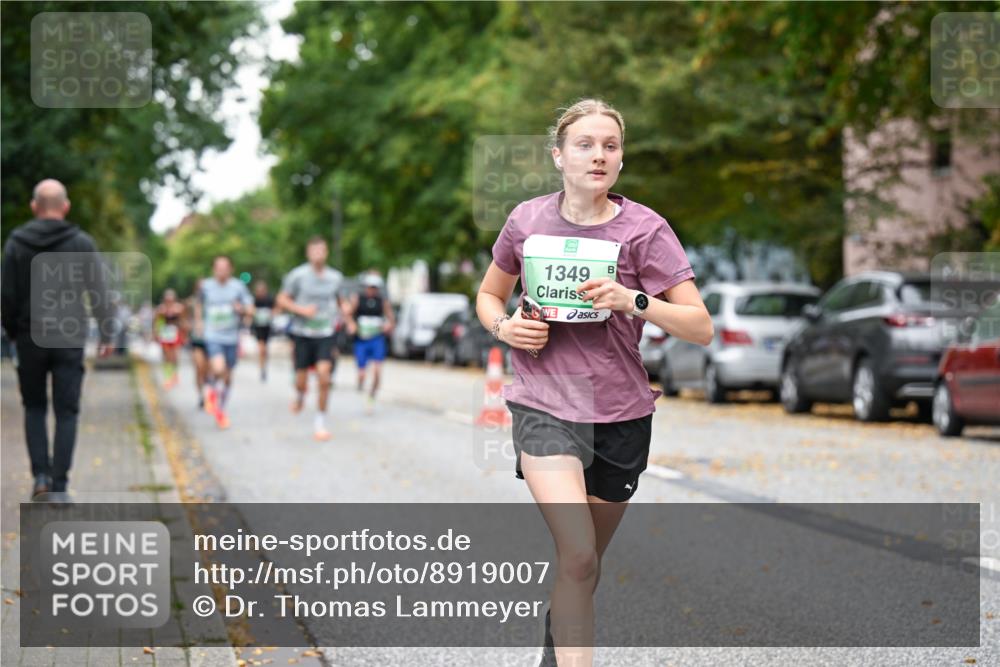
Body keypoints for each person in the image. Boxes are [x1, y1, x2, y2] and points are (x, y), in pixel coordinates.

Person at [475, 99, 713, 667]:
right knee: (578, 554)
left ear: (620, 158)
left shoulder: (644, 230)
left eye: (610, 145)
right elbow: (489, 295)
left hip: (622, 414)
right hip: (546, 405)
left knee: (583, 566)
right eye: (585, 144)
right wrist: (506, 328)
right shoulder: (527, 221)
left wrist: (634, 300)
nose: (598, 155)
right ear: (559, 155)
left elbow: (700, 326)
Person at [1, 179, 116, 501]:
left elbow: (6, 296)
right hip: (68, 337)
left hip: (29, 336)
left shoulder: (16, 243)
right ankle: (60, 486)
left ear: (34, 207)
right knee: (67, 412)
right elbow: (99, 291)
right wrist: (107, 331)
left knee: (34, 406)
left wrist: (12, 332)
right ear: (65, 207)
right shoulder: (81, 243)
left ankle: (41, 476)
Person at [276, 237, 345, 441]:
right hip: (302, 333)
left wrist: (347, 315)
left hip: (325, 333)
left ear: (326, 253)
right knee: (301, 380)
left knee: (324, 377)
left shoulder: (335, 277)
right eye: (314, 250)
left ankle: (320, 423)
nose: (318, 254)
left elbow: (341, 302)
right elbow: (281, 299)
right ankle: (300, 395)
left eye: (322, 250)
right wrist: (301, 310)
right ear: (308, 253)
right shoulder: (297, 275)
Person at [194, 256, 254, 429]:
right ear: (213, 269)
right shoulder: (206, 286)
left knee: (227, 377)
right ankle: (211, 390)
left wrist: (241, 309)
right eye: (218, 267)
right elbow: (198, 304)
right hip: (213, 335)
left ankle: (221, 409)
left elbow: (250, 309)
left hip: (232, 337)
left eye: (224, 267)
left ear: (230, 269)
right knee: (218, 368)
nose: (221, 271)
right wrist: (199, 322)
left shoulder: (238, 287)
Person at [344, 272, 395, 413]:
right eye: (369, 287)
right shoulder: (357, 299)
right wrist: (351, 324)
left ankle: (371, 398)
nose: (372, 290)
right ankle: (360, 381)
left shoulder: (383, 302)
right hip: (361, 339)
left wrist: (388, 325)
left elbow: (391, 319)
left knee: (377, 372)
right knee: (362, 373)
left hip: (376, 339)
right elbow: (347, 315)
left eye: (374, 287)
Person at [153, 288, 186, 389]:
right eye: (167, 299)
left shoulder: (179, 308)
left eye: (171, 299)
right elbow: (156, 322)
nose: (169, 301)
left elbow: (183, 322)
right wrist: (156, 334)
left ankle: (174, 375)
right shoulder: (160, 309)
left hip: (176, 333)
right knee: (166, 356)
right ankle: (168, 377)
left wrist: (184, 334)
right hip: (165, 333)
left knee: (175, 356)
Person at [186, 278, 210, 409]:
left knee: (207, 369)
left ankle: (207, 393)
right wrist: (190, 325)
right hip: (196, 339)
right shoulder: (191, 302)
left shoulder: (212, 301)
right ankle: (201, 395)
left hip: (210, 338)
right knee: (199, 367)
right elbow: (184, 318)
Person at [251, 280, 275, 382]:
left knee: (265, 349)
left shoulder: (270, 299)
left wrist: (271, 314)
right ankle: (262, 368)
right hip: (258, 327)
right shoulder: (254, 300)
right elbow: (250, 310)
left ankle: (264, 365)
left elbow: (276, 309)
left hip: (267, 327)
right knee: (261, 348)